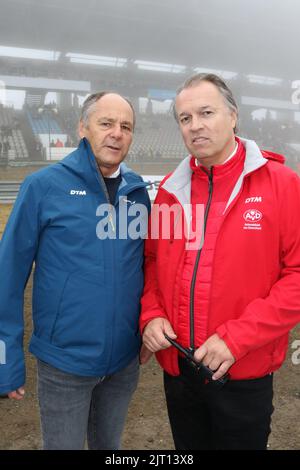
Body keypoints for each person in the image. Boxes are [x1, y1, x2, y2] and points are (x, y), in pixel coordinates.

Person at [140, 73, 300, 450]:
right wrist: (151, 313)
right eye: (185, 118)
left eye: (206, 112)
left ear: (233, 116)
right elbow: (151, 263)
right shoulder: (169, 191)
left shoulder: (282, 184)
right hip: (179, 372)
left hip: (241, 371)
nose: (195, 126)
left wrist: (236, 339)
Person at [0, 92, 151, 449]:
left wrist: (146, 327)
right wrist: (5, 361)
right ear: (82, 127)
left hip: (124, 364)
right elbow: (8, 276)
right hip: (64, 365)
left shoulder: (137, 192)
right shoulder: (43, 187)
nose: (116, 133)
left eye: (125, 126)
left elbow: (147, 269)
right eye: (106, 123)